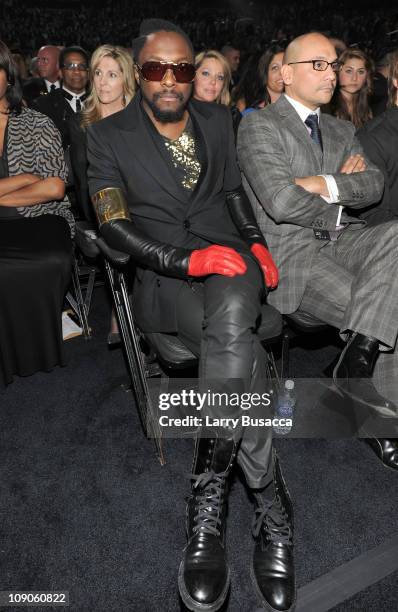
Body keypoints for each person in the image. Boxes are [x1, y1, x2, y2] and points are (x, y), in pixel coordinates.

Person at [87, 19, 295, 612]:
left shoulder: (216, 121)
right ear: (137, 72)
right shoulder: (106, 137)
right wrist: (187, 258)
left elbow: (233, 192)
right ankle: (268, 499)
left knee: (231, 296)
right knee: (243, 346)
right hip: (166, 280)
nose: (172, 80)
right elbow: (112, 224)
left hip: (230, 261)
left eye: (182, 68)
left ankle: (208, 498)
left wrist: (254, 242)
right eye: (157, 69)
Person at [237, 32, 398, 470]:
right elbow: (280, 202)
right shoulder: (258, 124)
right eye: (319, 65)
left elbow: (375, 185)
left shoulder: (343, 128)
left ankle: (354, 364)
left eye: (334, 64)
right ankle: (378, 415)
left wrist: (320, 183)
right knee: (387, 309)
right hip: (297, 258)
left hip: (347, 239)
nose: (331, 73)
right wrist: (338, 193)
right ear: (286, 74)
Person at [0, 41, 74, 385]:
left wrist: (31, 184)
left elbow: (54, 188)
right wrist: (23, 180)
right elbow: (37, 181)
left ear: (7, 75)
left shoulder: (35, 122)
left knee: (50, 257)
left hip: (40, 217)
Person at [33, 46, 90, 151]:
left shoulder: (100, 102)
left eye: (82, 66)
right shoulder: (41, 106)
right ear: (60, 72)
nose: (77, 71)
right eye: (70, 66)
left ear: (88, 72)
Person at [326, 48, 373, 129]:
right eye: (349, 71)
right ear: (337, 72)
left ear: (366, 77)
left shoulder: (367, 108)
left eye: (360, 72)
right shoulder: (326, 108)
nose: (354, 78)